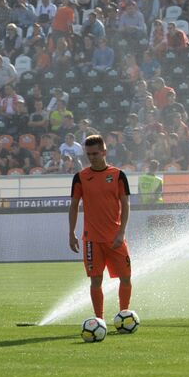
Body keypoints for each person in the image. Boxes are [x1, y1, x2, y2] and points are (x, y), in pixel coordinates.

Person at [68, 135, 134, 324]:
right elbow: (74, 206)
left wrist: (121, 232)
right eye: (89, 154)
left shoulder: (118, 175)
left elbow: (126, 204)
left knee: (126, 278)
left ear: (104, 152)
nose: (92, 157)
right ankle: (99, 320)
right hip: (91, 239)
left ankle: (124, 315)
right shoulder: (80, 177)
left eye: (95, 153)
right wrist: (71, 232)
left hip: (115, 238)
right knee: (95, 280)